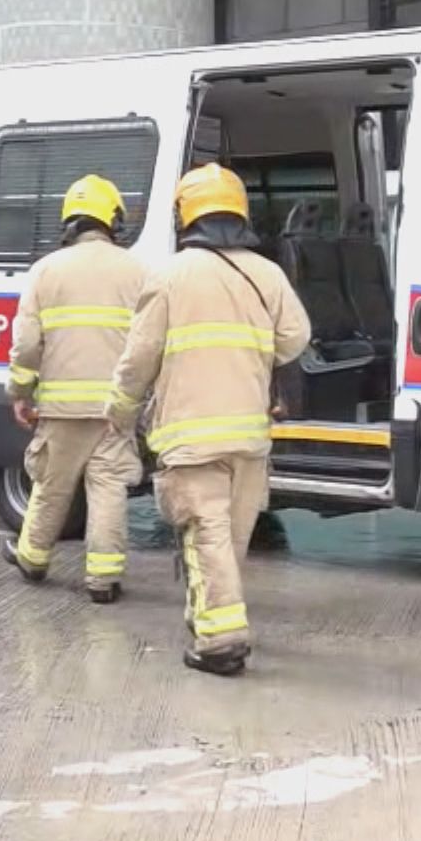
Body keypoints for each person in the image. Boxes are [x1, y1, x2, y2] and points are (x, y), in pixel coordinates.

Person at [107, 163, 310, 675]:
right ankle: (211, 620)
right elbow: (295, 340)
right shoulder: (268, 274)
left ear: (186, 215)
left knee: (205, 536)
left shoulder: (171, 276)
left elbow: (138, 360)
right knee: (227, 540)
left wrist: (120, 413)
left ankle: (220, 640)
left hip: (190, 436)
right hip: (248, 434)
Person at [0, 175, 147, 602]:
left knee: (51, 485)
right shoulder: (138, 270)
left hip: (62, 407)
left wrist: (20, 393)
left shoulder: (46, 270)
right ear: (112, 219)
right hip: (115, 408)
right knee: (108, 488)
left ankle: (32, 558)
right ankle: (103, 580)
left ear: (70, 221)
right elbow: (150, 341)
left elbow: (27, 344)